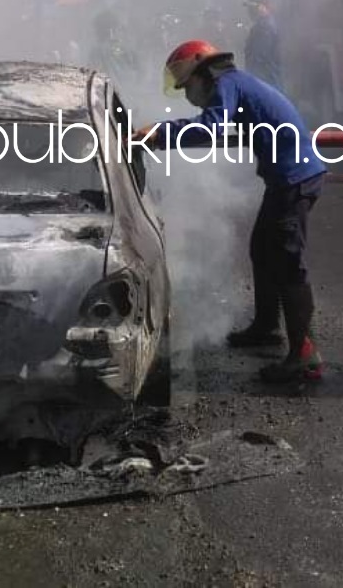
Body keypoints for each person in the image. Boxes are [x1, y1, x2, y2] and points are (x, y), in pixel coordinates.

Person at [136, 40, 328, 382]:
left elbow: (210, 126)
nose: (186, 93)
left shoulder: (227, 84)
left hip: (294, 177)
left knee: (287, 262)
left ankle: (305, 355)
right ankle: (267, 326)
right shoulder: (236, 83)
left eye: (186, 86)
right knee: (262, 249)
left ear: (201, 73)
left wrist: (161, 133)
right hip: (290, 175)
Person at [242, 0, 283, 89]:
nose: (250, 11)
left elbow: (258, 59)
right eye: (249, 8)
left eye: (253, 7)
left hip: (266, 83)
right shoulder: (261, 26)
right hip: (264, 82)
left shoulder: (264, 28)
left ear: (264, 7)